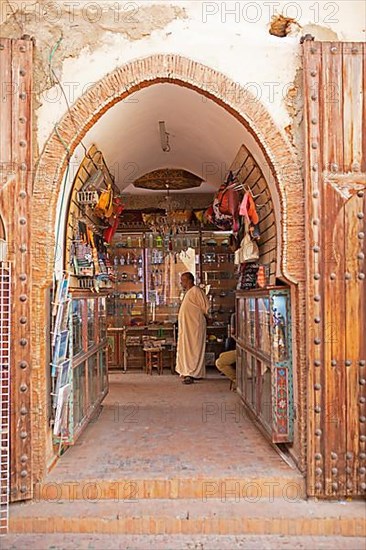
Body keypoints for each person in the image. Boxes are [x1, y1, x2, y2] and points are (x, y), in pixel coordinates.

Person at [175, 272, 209, 384]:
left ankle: (193, 372)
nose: (181, 282)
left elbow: (206, 308)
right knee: (186, 349)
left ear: (189, 280)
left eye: (183, 280)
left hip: (195, 327)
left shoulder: (196, 291)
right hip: (187, 328)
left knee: (194, 348)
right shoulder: (188, 293)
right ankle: (187, 371)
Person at [215, 313, 236, 388]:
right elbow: (233, 334)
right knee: (222, 356)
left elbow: (232, 333)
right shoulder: (235, 316)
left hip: (243, 351)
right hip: (240, 348)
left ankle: (236, 379)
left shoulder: (235, 316)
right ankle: (236, 378)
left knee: (219, 362)